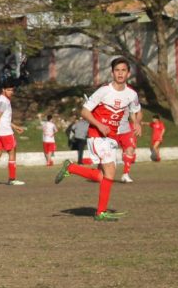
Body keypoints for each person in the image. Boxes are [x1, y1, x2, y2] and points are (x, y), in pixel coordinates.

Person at [54, 57, 140, 221]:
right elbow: (85, 112)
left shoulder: (131, 94)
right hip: (97, 136)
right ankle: (100, 213)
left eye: (123, 70)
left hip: (111, 138)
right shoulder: (104, 91)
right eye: (117, 70)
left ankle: (71, 168)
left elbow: (135, 110)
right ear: (112, 72)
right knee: (110, 172)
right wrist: (99, 125)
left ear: (128, 73)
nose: (120, 73)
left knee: (103, 176)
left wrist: (136, 122)